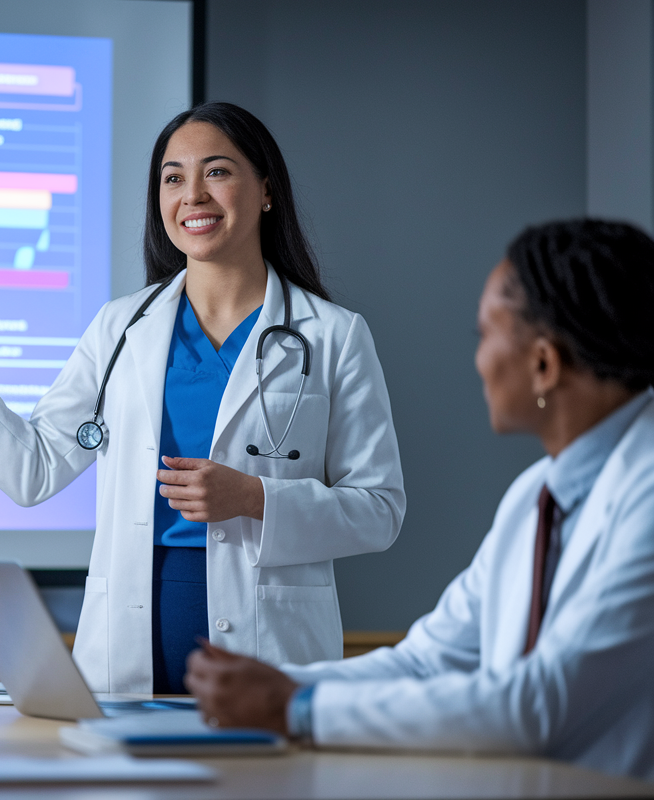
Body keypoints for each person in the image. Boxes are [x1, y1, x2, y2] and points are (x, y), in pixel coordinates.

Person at [0, 102, 406, 694]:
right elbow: (33, 470)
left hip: (270, 643)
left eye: (216, 172)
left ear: (266, 190)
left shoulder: (332, 334)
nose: (193, 196)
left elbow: (379, 510)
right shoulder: (120, 328)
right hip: (130, 637)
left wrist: (255, 496)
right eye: (173, 177)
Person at [183, 219, 654, 781]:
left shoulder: (644, 498)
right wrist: (278, 685)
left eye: (485, 336)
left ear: (544, 365)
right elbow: (427, 660)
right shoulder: (536, 497)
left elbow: (536, 705)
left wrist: (295, 708)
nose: (478, 361)